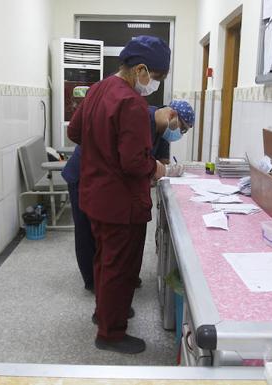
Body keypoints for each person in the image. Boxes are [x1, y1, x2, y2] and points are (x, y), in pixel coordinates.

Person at [67, 35, 171, 354]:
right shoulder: (132, 103)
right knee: (120, 265)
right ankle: (111, 333)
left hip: (94, 195)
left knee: (104, 260)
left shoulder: (98, 89)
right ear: (140, 69)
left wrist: (100, 149)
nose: (153, 84)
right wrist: (158, 167)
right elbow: (134, 162)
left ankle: (106, 311)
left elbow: (74, 132)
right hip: (121, 203)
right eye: (155, 77)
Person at [62, 100, 195, 293]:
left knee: (124, 232)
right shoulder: (140, 120)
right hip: (84, 173)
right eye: (182, 129)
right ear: (172, 115)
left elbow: (160, 163)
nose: (180, 134)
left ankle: (123, 277)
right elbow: (134, 162)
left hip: (112, 179)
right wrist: (155, 171)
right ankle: (93, 281)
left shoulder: (164, 131)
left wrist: (167, 170)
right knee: (88, 231)